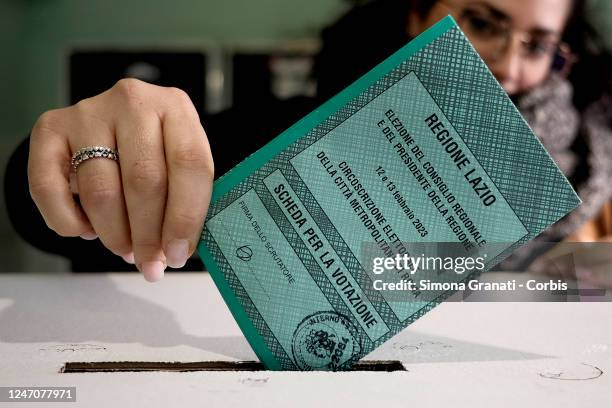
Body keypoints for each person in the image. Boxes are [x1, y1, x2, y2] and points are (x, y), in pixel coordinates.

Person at [5, 0, 612, 284]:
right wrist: (90, 150)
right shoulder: (290, 136)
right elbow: (52, 217)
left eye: (536, 43)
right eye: (482, 22)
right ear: (416, 15)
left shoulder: (593, 173)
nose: (506, 63)